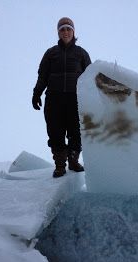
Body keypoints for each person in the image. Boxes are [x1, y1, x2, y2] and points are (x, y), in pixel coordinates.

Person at [32, 17, 91, 178]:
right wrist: (36, 93)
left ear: (73, 32)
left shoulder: (81, 53)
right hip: (54, 99)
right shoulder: (51, 53)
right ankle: (60, 164)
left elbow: (90, 77)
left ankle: (73, 160)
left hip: (75, 99)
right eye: (62, 29)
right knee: (55, 132)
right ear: (58, 33)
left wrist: (93, 98)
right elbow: (42, 76)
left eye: (68, 29)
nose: (65, 32)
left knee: (76, 131)